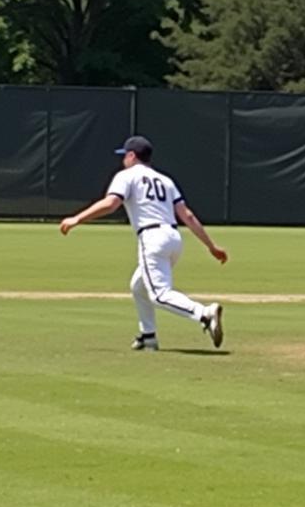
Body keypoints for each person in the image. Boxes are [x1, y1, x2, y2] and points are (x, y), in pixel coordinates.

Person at [59, 135, 227, 351]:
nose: (123, 161)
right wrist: (211, 246)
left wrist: (77, 218)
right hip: (173, 239)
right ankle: (148, 336)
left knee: (159, 294)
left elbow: (111, 204)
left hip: (152, 238)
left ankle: (204, 313)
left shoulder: (127, 176)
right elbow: (187, 215)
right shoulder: (166, 180)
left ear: (131, 156)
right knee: (139, 286)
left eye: (124, 156)